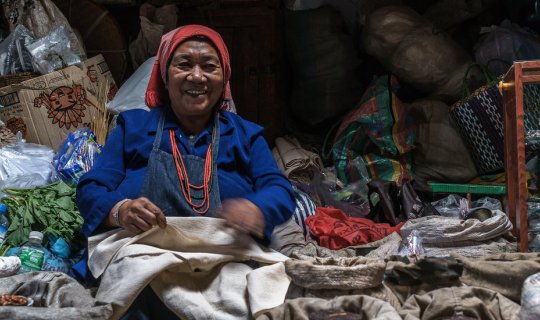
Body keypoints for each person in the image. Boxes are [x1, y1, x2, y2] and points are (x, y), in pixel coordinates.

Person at [73, 25, 296, 317]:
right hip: (144, 251)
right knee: (134, 292)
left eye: (209, 66)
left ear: (223, 77)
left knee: (256, 295)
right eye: (184, 64)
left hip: (227, 254)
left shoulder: (245, 134)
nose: (197, 76)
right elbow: (91, 187)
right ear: (165, 76)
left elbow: (279, 188)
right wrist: (120, 210)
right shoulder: (134, 127)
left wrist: (257, 209)